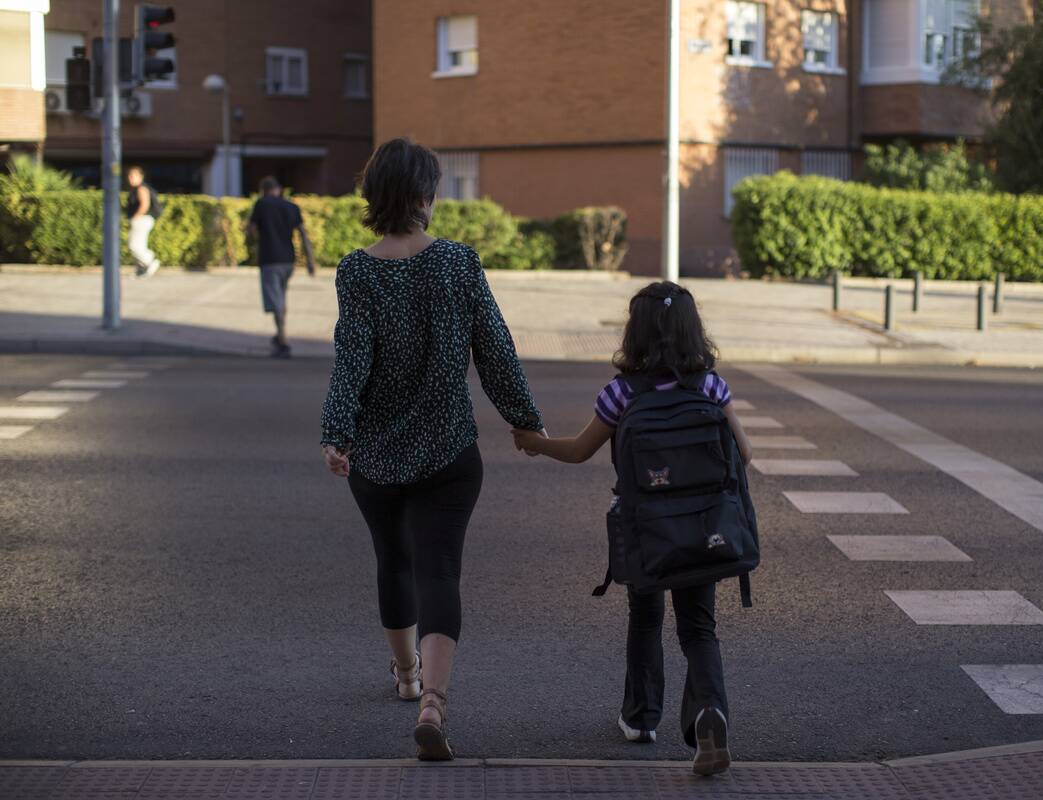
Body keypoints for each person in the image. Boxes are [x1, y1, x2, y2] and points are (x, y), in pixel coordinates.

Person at [319, 138, 546, 761]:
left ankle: (406, 676)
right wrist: (525, 422)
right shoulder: (457, 262)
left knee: (393, 562)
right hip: (449, 452)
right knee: (440, 569)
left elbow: (352, 358)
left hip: (377, 457)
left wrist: (337, 435)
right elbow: (495, 348)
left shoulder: (356, 270)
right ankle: (434, 703)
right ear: (425, 197)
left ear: (373, 198)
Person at [513, 282, 753, 777]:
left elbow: (580, 450)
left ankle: (641, 718)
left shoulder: (621, 393)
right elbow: (744, 453)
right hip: (704, 527)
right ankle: (711, 712)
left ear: (635, 332)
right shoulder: (710, 386)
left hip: (644, 530)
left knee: (645, 618)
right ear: (693, 330)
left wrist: (536, 442)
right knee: (699, 627)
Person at [246, 177, 315, 358]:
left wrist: (249, 230)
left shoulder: (261, 204)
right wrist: (310, 261)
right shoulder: (291, 207)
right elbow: (303, 234)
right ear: (279, 189)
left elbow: (251, 230)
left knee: (276, 301)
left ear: (263, 190)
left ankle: (283, 341)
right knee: (281, 298)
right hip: (288, 260)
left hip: (270, 259)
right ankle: (279, 334)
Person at [126, 166, 161, 277]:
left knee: (134, 245)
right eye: (129, 176)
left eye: (133, 176)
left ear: (140, 177)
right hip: (142, 219)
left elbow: (144, 205)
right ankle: (141, 269)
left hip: (142, 220)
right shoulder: (136, 189)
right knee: (140, 245)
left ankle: (150, 261)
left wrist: (135, 217)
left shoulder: (141, 188)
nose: (130, 178)